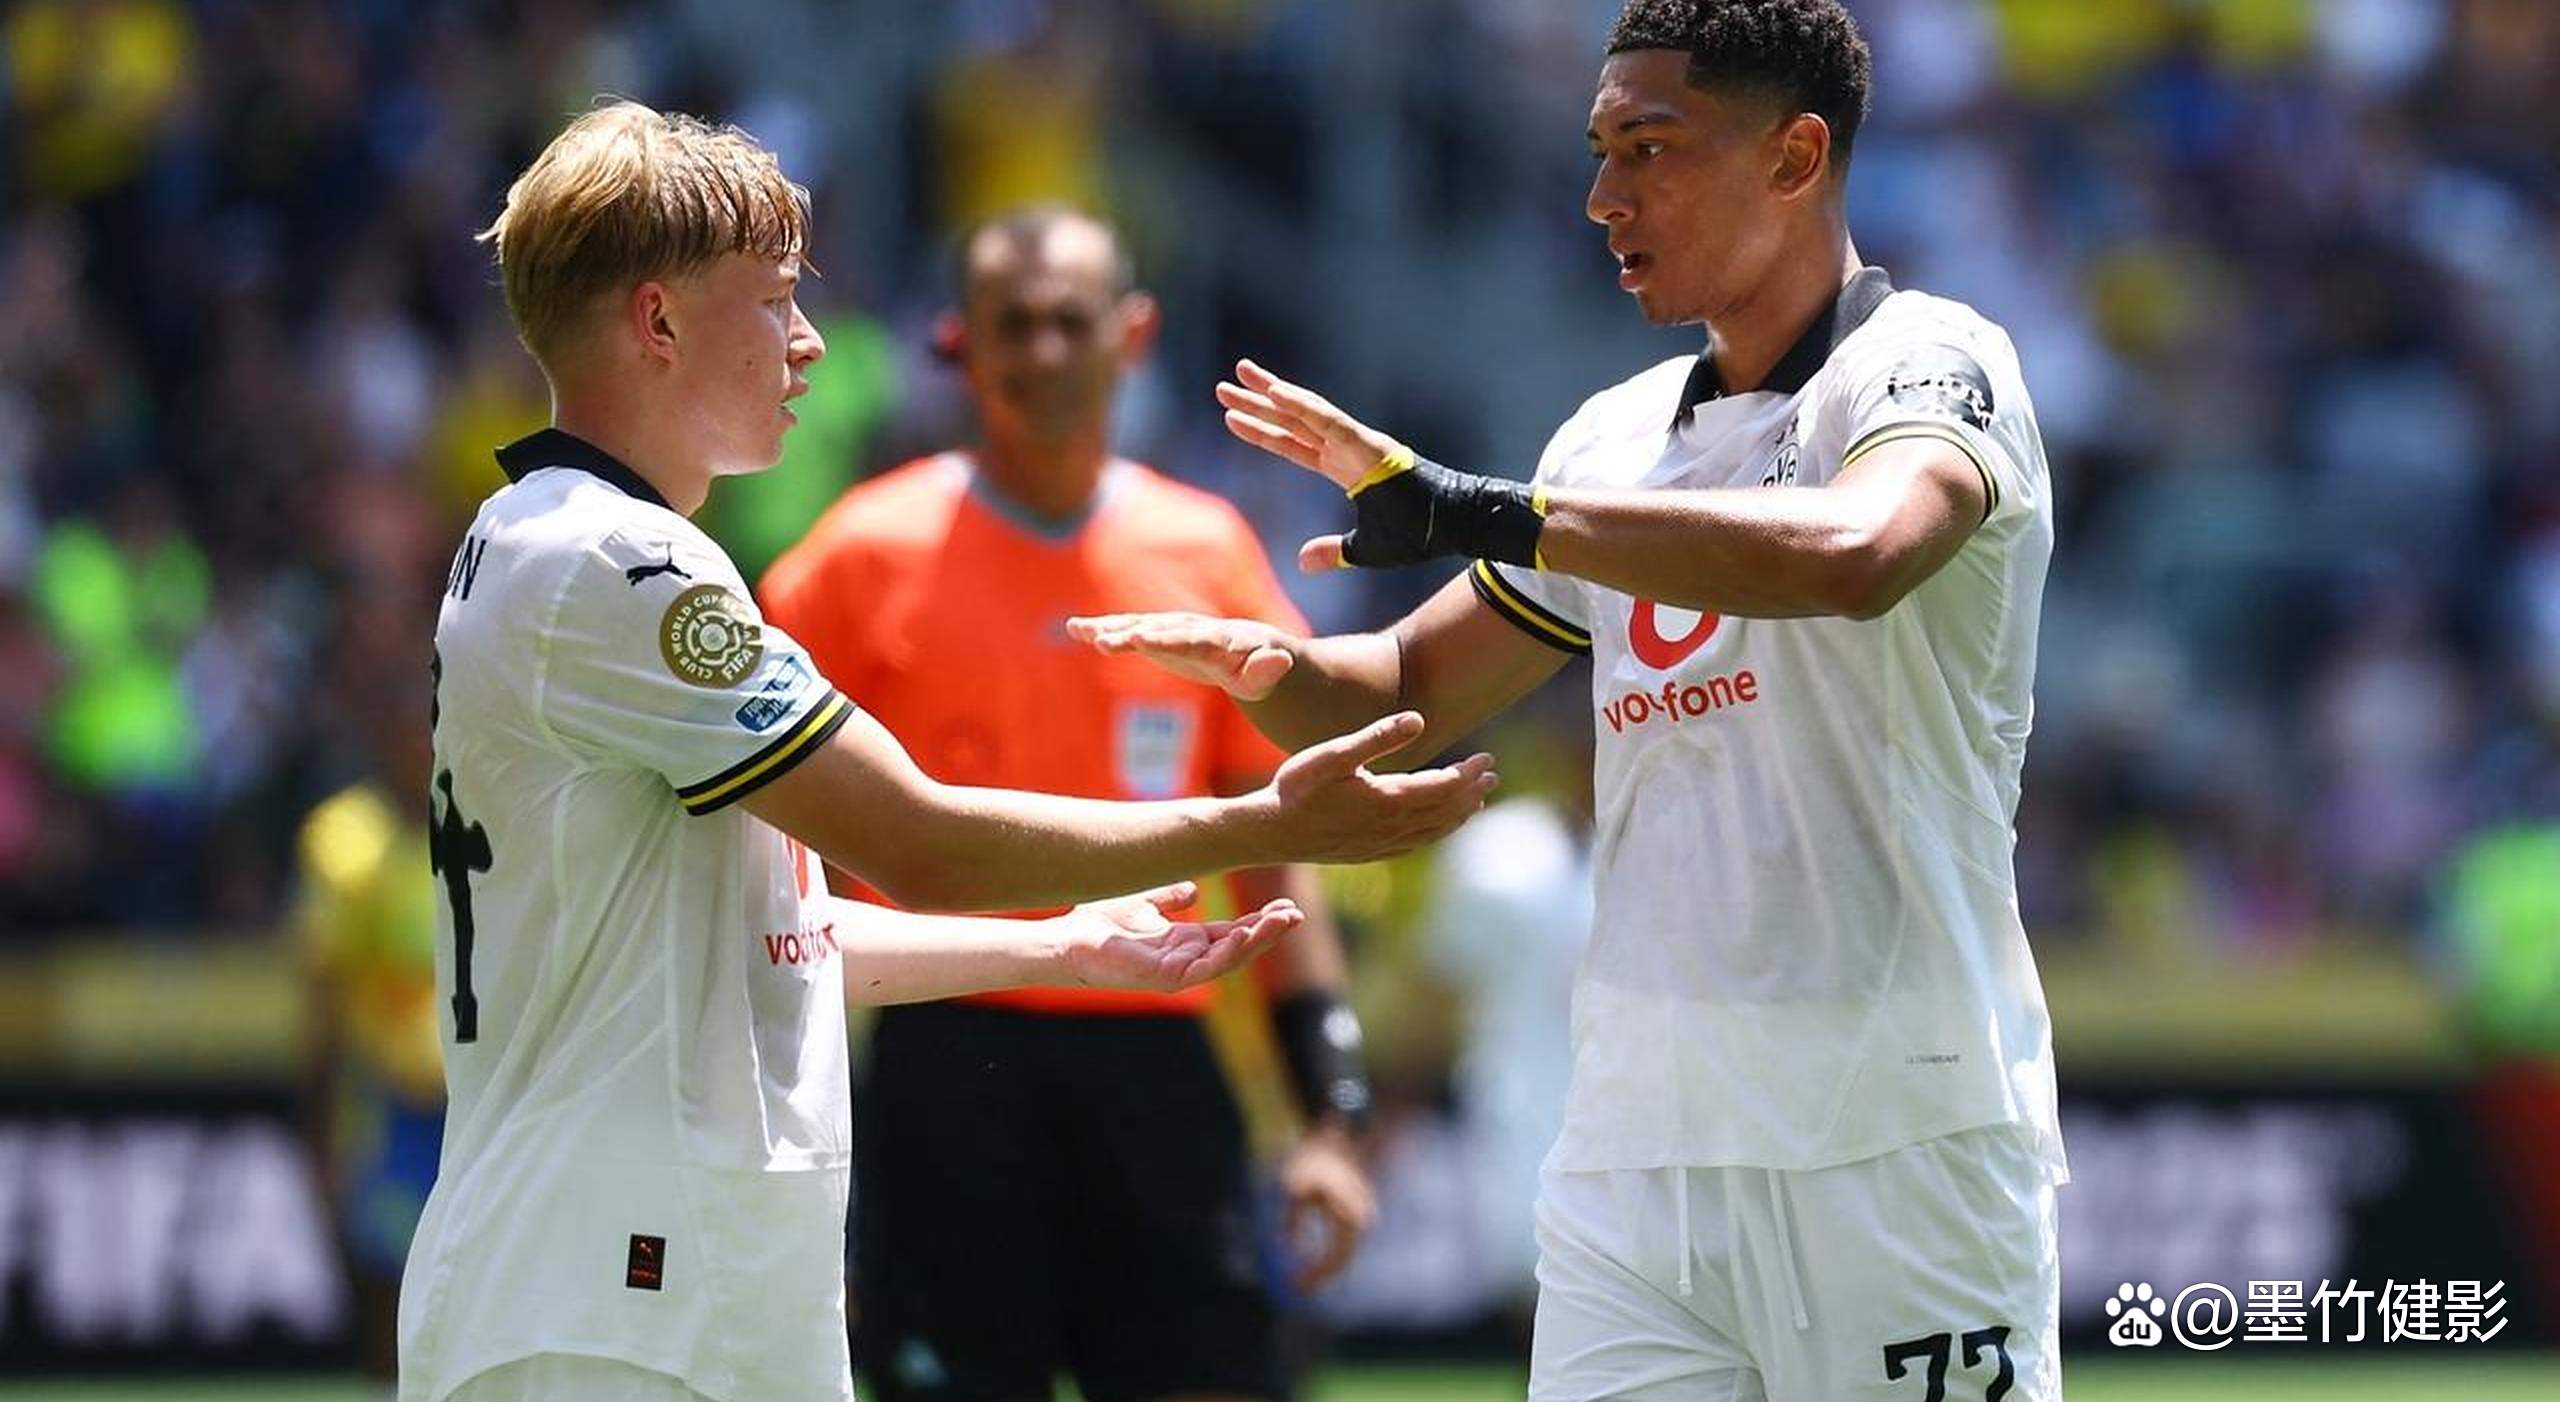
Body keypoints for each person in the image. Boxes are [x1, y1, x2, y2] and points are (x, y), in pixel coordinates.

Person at [403, 101, 1494, 1402]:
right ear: (659, 321)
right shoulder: (624, 563)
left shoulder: (559, 539)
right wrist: (1265, 824)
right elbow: (915, 839)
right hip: (616, 1296)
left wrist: (1062, 945)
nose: (811, 339)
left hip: (646, 1283)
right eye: (774, 300)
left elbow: (775, 931)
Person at [1071, 2, 2066, 1397]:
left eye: (1648, 148)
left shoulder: (1928, 363)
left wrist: (1483, 509)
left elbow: (1858, 552)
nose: (1603, 196)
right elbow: (1407, 683)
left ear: (1793, 157)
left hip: (1896, 1141)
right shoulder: (1612, 439)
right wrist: (1259, 668)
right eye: (1599, 150)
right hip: (1634, 1167)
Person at [761, 206, 1376, 1402]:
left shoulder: (1208, 551)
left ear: (1132, 334)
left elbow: (1274, 849)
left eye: (1069, 320)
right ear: (959, 342)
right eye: (1013, 324)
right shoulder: (852, 561)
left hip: (1159, 1057)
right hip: (945, 1059)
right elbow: (774, 865)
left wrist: (1332, 1116)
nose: (1042, 350)